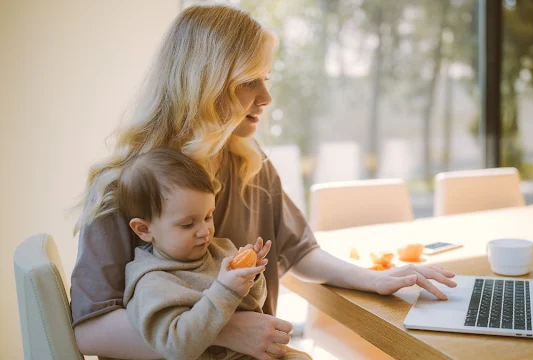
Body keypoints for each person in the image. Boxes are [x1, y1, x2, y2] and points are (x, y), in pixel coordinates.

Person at [70, 4, 457, 360]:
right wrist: (225, 330)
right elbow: (90, 330)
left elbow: (299, 251)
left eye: (266, 78)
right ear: (205, 84)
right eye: (249, 81)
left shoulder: (249, 163)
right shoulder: (120, 187)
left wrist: (373, 279)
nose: (267, 96)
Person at [117, 148, 310, 360]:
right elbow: (177, 347)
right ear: (144, 230)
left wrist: (251, 277)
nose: (205, 230)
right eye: (188, 224)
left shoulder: (220, 250)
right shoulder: (152, 283)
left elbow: (254, 306)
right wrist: (225, 290)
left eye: (208, 217)